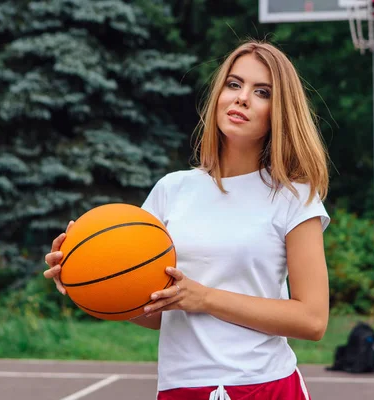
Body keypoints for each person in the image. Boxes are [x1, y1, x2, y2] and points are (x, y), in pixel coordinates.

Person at [44, 40, 331, 400]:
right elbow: (154, 308)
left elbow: (312, 320)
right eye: (233, 84)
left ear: (279, 110)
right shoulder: (172, 190)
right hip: (182, 387)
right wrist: (84, 279)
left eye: (262, 92)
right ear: (219, 94)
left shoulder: (293, 197)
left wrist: (205, 298)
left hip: (264, 386)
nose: (242, 98)